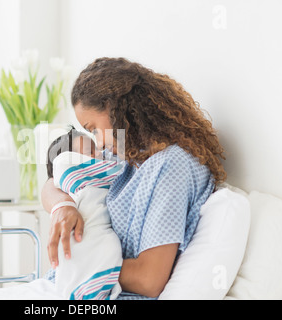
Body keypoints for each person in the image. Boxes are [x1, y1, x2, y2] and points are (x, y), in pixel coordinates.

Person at [41, 57, 227, 300]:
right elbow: (52, 181)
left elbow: (148, 280)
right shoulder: (123, 153)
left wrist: (82, 263)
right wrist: (62, 206)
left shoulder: (171, 167)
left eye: (94, 128)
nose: (97, 142)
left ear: (116, 109)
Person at [45, 127, 124, 300]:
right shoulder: (72, 173)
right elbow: (58, 170)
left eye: (96, 149)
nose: (101, 155)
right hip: (85, 234)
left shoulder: (110, 154)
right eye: (90, 152)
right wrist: (63, 204)